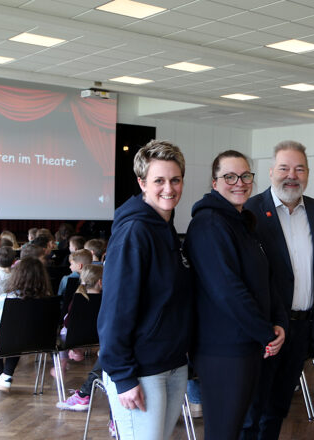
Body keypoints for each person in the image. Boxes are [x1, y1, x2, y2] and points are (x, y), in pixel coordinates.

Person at [184, 150, 287, 439]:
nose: (239, 182)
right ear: (215, 183)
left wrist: (277, 325)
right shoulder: (209, 225)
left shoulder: (243, 223)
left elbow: (266, 281)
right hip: (223, 351)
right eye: (229, 176)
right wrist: (266, 332)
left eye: (245, 176)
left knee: (247, 427)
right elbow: (227, 292)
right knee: (225, 432)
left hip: (249, 345)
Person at [97, 140, 193, 439]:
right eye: (159, 181)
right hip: (140, 370)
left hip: (173, 363)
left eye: (175, 180)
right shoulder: (134, 232)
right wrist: (124, 377)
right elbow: (115, 310)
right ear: (142, 183)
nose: (169, 188)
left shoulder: (165, 227)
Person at [242, 141, 314, 440]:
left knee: (279, 407)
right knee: (252, 410)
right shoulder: (250, 211)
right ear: (270, 172)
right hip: (265, 331)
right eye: (284, 168)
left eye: (299, 168)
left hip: (302, 329)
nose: (291, 175)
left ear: (307, 174)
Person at [0, 257, 52, 391]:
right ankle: (7, 375)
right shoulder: (48, 298)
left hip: (12, 340)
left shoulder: (6, 298)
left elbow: (0, 319)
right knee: (17, 335)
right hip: (40, 340)